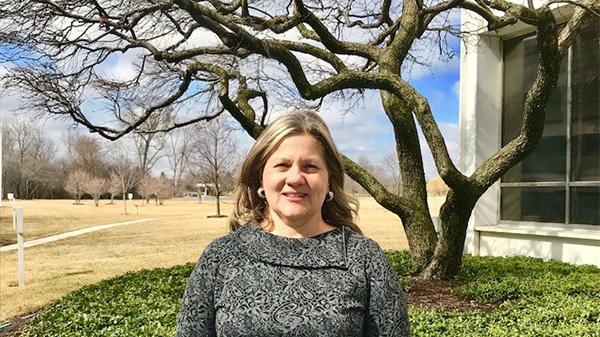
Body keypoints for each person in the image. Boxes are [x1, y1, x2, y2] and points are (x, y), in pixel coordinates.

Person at [176, 111, 409, 337]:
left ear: (329, 179)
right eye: (282, 165)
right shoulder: (221, 257)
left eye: (310, 166)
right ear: (261, 176)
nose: (296, 178)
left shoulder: (364, 259)